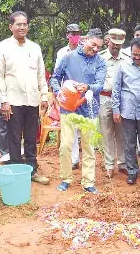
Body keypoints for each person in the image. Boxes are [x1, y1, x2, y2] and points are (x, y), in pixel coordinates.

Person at [0, 11, 49, 185]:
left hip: (32, 100)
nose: (22, 27)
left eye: (25, 24)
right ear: (11, 27)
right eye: (18, 24)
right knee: (14, 137)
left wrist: (45, 96)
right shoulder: (2, 47)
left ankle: (32, 170)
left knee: (32, 137)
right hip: (13, 101)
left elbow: (41, 74)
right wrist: (3, 101)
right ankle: (17, 171)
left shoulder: (35, 48)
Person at [50, 28, 107, 194]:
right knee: (65, 146)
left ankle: (88, 182)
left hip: (89, 109)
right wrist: (57, 92)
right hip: (68, 109)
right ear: (85, 40)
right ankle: (66, 178)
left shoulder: (100, 62)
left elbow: (100, 85)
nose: (95, 49)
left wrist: (88, 87)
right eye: (93, 44)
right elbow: (55, 77)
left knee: (88, 147)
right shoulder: (68, 57)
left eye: (98, 47)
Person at [112, 37, 140, 184]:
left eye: (139, 55)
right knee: (129, 143)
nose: (136, 57)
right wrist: (115, 109)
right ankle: (132, 172)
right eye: (134, 54)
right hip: (127, 111)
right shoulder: (123, 66)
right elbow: (116, 89)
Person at [99, 28, 130, 178]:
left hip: (122, 100)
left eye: (119, 44)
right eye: (113, 43)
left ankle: (122, 163)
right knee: (107, 133)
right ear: (108, 41)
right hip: (104, 98)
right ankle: (109, 165)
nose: (116, 46)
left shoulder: (127, 58)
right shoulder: (100, 58)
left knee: (121, 133)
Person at [55, 23, 82, 170]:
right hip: (67, 93)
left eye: (78, 33)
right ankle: (74, 160)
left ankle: (85, 159)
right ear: (68, 35)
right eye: (73, 33)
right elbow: (57, 74)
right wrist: (57, 92)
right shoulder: (61, 53)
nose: (75, 36)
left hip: (82, 92)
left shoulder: (85, 50)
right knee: (70, 127)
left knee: (82, 127)